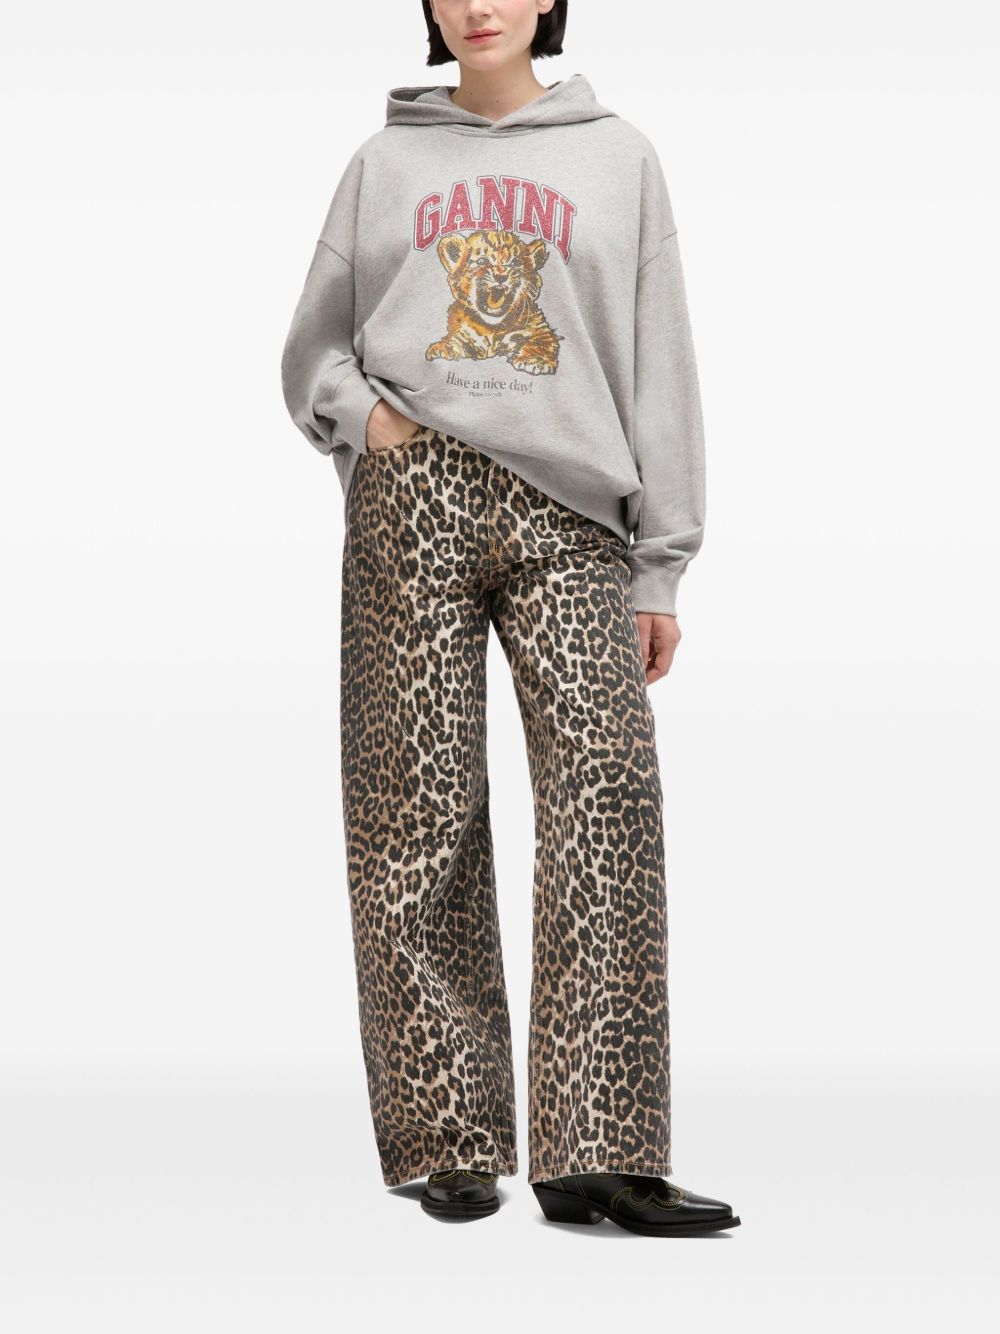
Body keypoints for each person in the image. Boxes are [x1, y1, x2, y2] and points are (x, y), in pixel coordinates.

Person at [280, 0, 740, 1235]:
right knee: (413, 813)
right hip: (414, 492)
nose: (479, 5)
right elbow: (311, 350)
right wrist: (371, 422)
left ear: (549, 0)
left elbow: (659, 361)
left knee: (606, 802)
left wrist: (661, 564)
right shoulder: (382, 164)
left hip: (574, 513)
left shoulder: (619, 157)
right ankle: (449, 1134)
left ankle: (602, 1151)